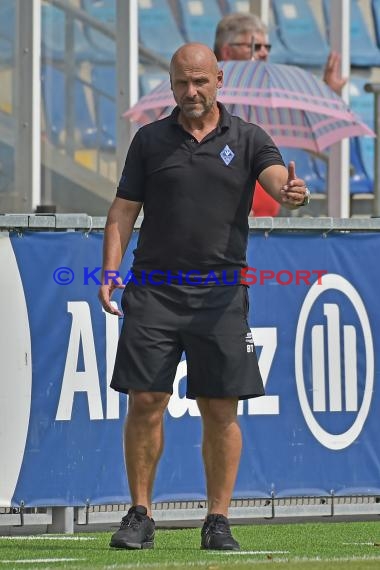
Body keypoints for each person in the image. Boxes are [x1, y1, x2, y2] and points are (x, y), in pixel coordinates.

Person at [98, 43, 309, 551]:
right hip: (153, 292)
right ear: (171, 84)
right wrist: (109, 269)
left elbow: (277, 178)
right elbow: (123, 211)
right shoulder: (149, 141)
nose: (190, 92)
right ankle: (140, 513)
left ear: (218, 79)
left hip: (221, 295)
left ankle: (217, 520)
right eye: (180, 83)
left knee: (220, 408)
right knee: (146, 400)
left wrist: (287, 191)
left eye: (199, 82)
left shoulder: (250, 138)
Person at [214, 12, 347, 216]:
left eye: (267, 47)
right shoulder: (204, 99)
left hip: (268, 216)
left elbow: (299, 120)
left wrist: (327, 93)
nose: (264, 53)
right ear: (227, 51)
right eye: (255, 47)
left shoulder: (267, 92)